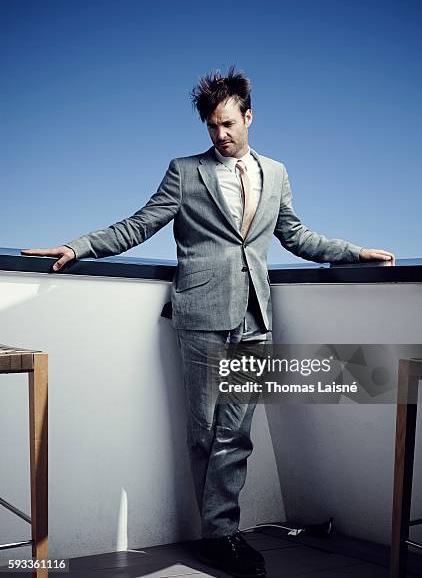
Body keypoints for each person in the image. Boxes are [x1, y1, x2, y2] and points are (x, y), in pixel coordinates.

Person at [22, 67, 395, 578]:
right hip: (200, 315)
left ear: (248, 117)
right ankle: (220, 536)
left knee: (236, 432)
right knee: (204, 431)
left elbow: (295, 235)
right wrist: (78, 246)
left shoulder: (277, 173)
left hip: (255, 317)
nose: (220, 135)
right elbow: (139, 223)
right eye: (211, 127)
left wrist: (355, 253)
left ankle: (224, 533)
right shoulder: (184, 171)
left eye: (228, 124)